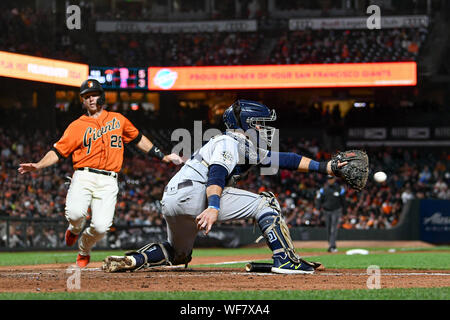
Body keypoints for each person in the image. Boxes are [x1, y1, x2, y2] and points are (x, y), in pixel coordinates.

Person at [102, 99, 352, 274]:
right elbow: (217, 173)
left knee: (179, 255)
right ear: (245, 124)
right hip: (197, 194)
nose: (263, 128)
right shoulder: (228, 141)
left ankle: (134, 259)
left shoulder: (242, 146)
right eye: (258, 123)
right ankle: (285, 259)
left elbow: (283, 158)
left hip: (172, 199)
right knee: (265, 203)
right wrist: (212, 206)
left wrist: (326, 167)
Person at [18, 79, 183, 268]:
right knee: (74, 214)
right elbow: (58, 152)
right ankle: (74, 228)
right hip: (83, 175)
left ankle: (84, 249)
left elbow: (138, 139)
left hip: (109, 179)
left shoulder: (118, 119)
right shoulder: (76, 126)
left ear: (102, 96)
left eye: (93, 95)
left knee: (101, 227)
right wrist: (39, 165)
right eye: (86, 97)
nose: (90, 99)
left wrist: (163, 157)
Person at [315, 175, 346, 252]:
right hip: (326, 211)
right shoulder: (323, 190)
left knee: (333, 229)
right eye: (329, 179)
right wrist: (318, 208)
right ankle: (331, 244)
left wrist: (345, 211)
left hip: (336, 211)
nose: (330, 180)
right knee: (328, 229)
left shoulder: (339, 189)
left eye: (331, 179)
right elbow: (319, 200)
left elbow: (344, 201)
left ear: (334, 179)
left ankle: (332, 246)